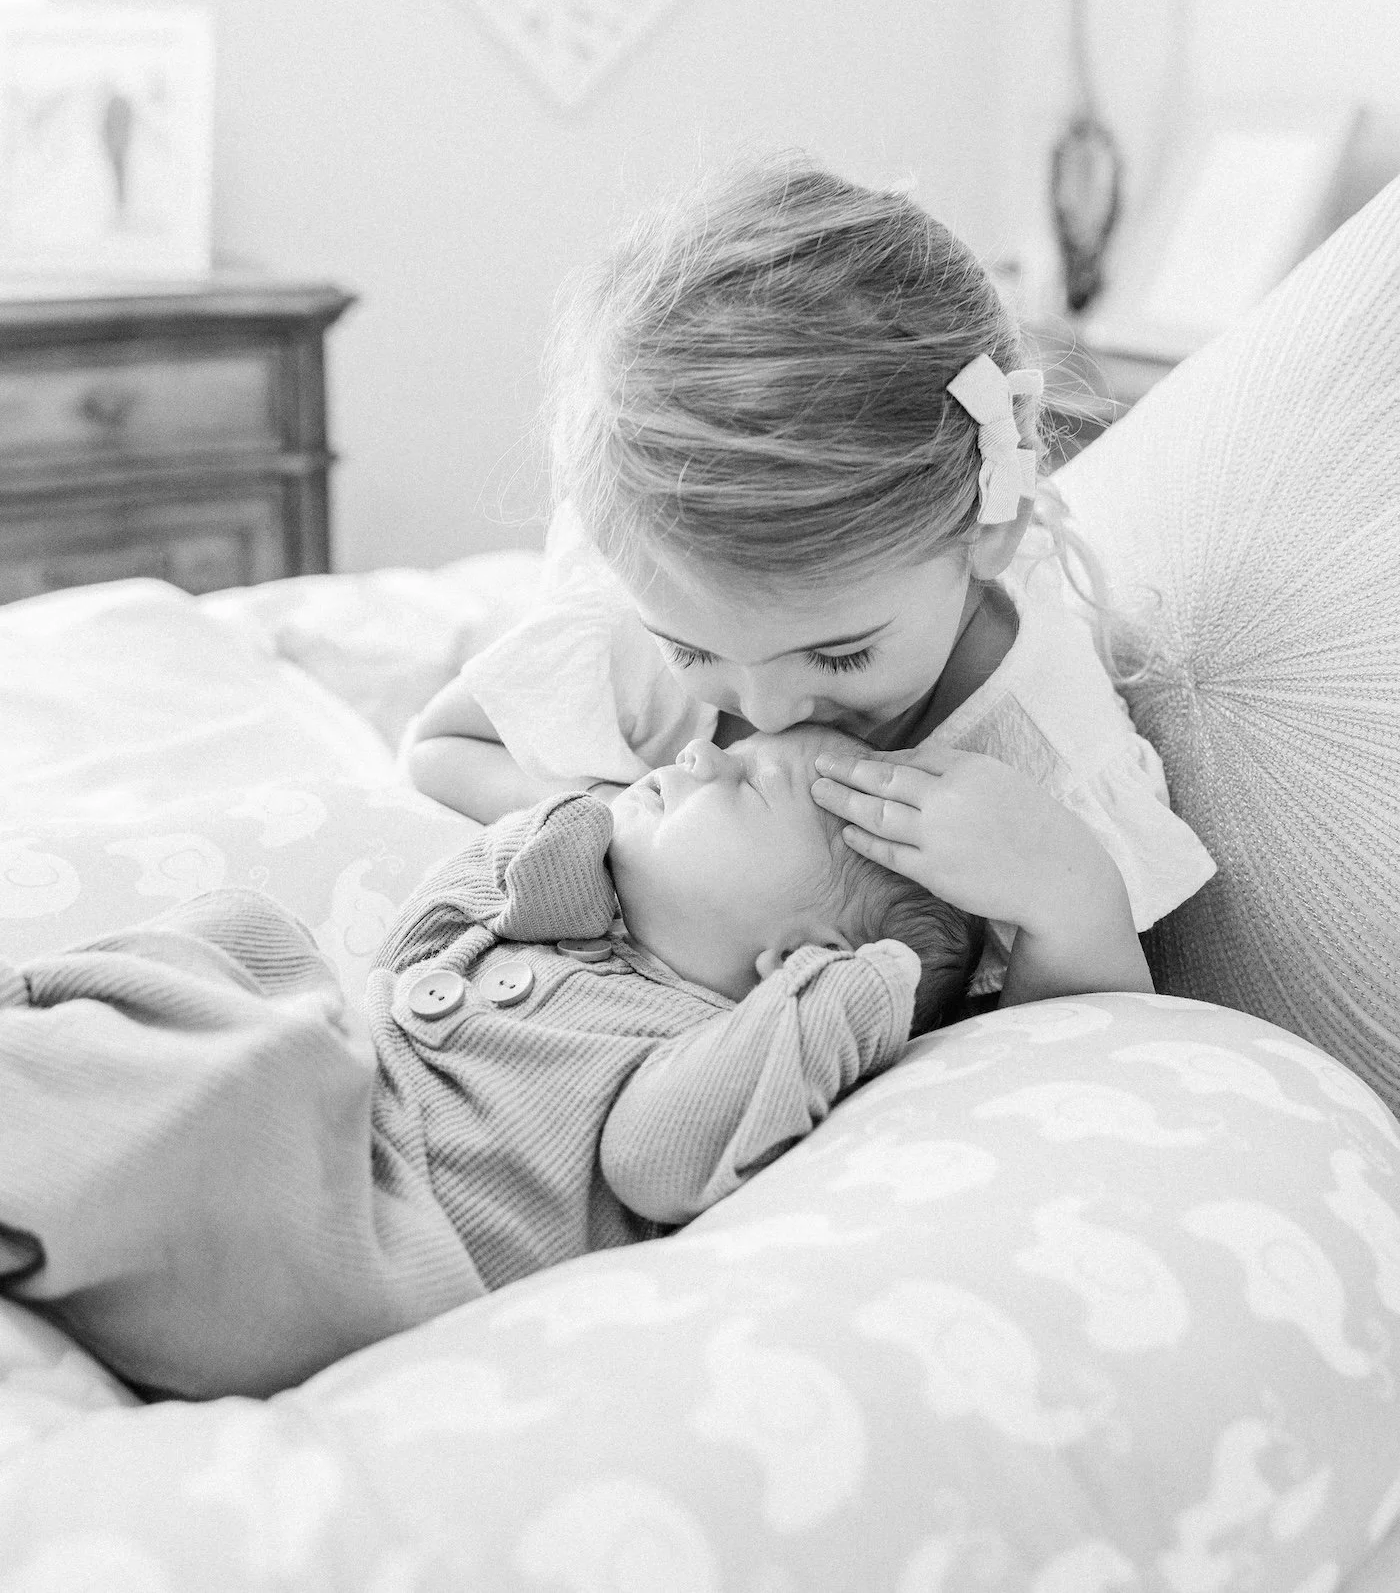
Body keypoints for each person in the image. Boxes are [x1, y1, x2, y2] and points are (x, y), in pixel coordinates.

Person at [0, 717, 1144, 1402]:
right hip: (335, 1112)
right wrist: (572, 833)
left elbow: (656, 1163)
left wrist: (841, 996)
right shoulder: (564, 924)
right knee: (244, 937)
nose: (698, 753)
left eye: (744, 783)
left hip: (369, 1244)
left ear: (797, 953)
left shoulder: (704, 1046)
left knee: (246, 1083)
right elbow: (413, 953)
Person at [405, 155, 1214, 997]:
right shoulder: (659, 606)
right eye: (693, 652)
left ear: (992, 527)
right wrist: (605, 822)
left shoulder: (1049, 756)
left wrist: (1071, 899)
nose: (764, 713)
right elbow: (438, 746)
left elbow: (1088, 1030)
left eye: (838, 656)